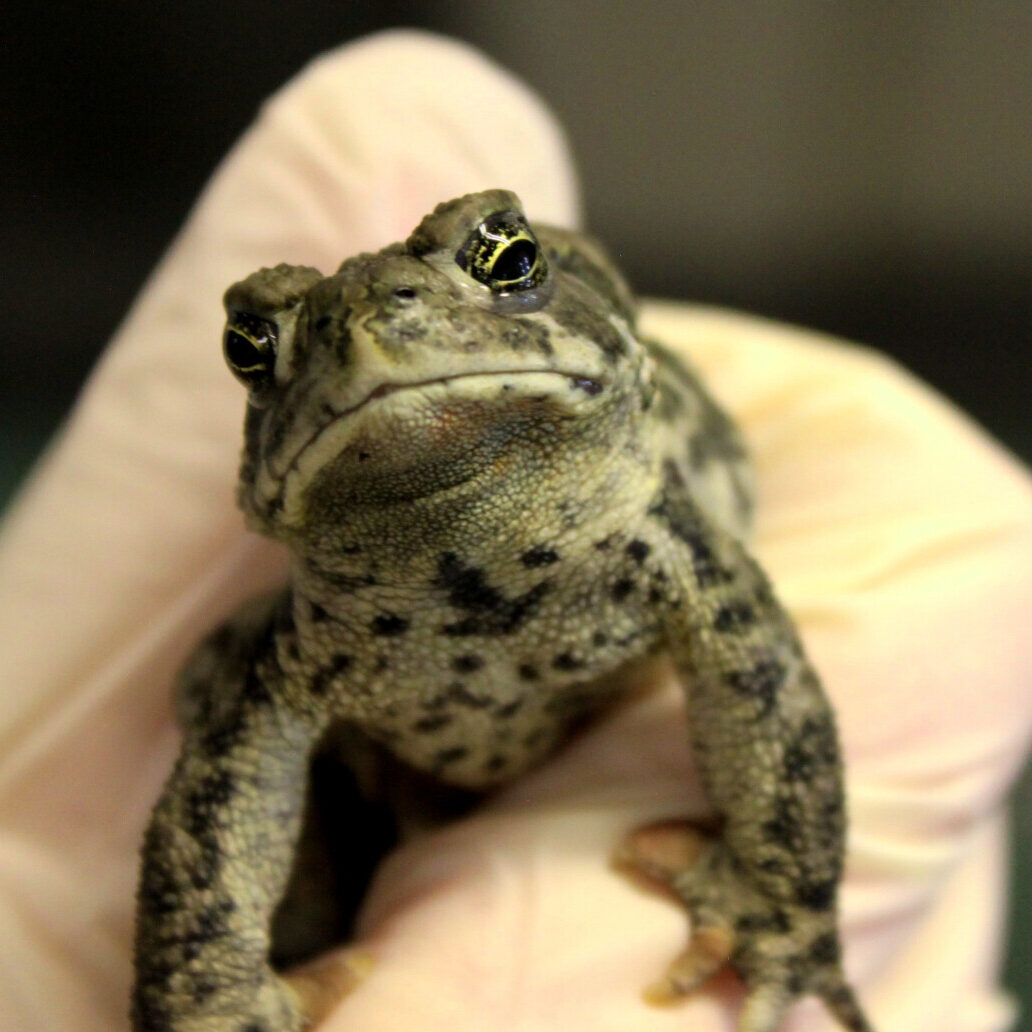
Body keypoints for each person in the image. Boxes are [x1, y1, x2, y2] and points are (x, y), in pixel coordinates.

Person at [0, 30, 1029, 1032]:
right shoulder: (312, 645)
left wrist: (784, 903)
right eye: (257, 347)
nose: (381, 328)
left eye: (500, 260)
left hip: (594, 588)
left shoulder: (644, 521)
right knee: (224, 670)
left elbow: (757, 670)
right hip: (385, 780)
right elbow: (225, 806)